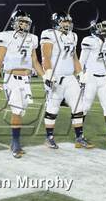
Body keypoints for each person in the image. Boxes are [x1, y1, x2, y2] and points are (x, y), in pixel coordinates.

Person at [0, 10, 46, 158]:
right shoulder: (6, 36)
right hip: (11, 78)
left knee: (22, 111)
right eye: (21, 21)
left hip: (25, 80)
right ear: (15, 22)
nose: (24, 24)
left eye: (26, 22)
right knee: (16, 110)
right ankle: (15, 143)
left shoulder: (32, 38)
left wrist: (44, 76)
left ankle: (14, 141)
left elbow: (35, 61)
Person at [40, 12, 93, 149]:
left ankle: (79, 137)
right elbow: (46, 56)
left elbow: (74, 57)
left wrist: (80, 73)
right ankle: (49, 137)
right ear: (56, 22)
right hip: (55, 77)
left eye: (69, 22)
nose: (67, 24)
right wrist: (49, 73)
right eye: (64, 22)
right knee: (53, 108)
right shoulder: (49, 34)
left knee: (78, 106)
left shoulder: (73, 36)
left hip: (70, 77)